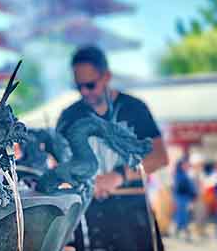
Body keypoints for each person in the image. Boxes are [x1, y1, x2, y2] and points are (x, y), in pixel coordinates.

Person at [57, 45, 168, 251]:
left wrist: (119, 175)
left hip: (133, 215)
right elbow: (59, 165)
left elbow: (160, 156)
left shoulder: (134, 108)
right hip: (88, 215)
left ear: (106, 76)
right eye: (78, 86)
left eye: (90, 85)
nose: (84, 92)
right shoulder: (69, 117)